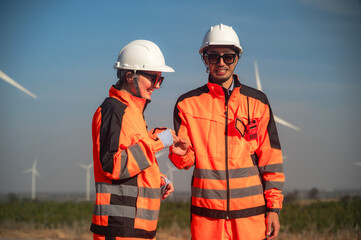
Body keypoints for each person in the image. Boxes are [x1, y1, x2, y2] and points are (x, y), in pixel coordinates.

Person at [169, 24, 285, 240]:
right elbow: (185, 161)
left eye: (228, 57)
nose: (221, 63)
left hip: (251, 219)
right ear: (205, 59)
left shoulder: (258, 102)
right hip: (207, 220)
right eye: (214, 57)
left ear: (237, 58)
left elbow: (271, 160)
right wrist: (179, 153)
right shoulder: (187, 104)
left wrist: (274, 209)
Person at [91, 39, 176, 240]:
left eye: (160, 80)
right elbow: (113, 165)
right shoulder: (114, 110)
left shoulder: (133, 114)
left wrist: (158, 180)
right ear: (130, 75)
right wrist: (158, 142)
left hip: (137, 231)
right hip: (119, 230)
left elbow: (133, 165)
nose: (156, 85)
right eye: (153, 78)